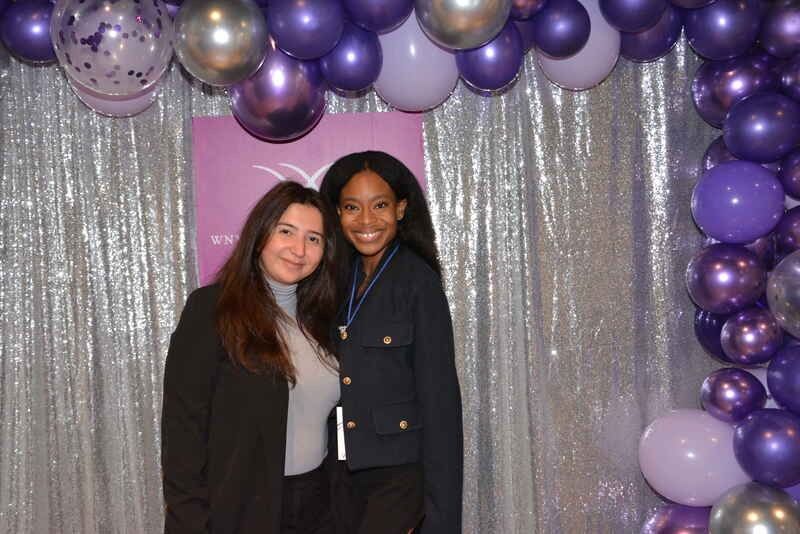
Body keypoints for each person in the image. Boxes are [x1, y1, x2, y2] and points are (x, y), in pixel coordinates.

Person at [161, 181, 342, 534]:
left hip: (320, 507)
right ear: (261, 235)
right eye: (286, 231)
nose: (299, 249)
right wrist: (191, 522)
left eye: (314, 239)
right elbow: (183, 431)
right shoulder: (212, 310)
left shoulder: (328, 321)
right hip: (240, 509)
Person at [320, 151, 463, 534]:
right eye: (352, 207)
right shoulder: (332, 280)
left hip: (399, 475)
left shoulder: (419, 283)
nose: (366, 221)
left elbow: (439, 403)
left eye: (379, 205)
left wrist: (441, 517)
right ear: (336, 213)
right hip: (337, 472)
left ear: (401, 209)